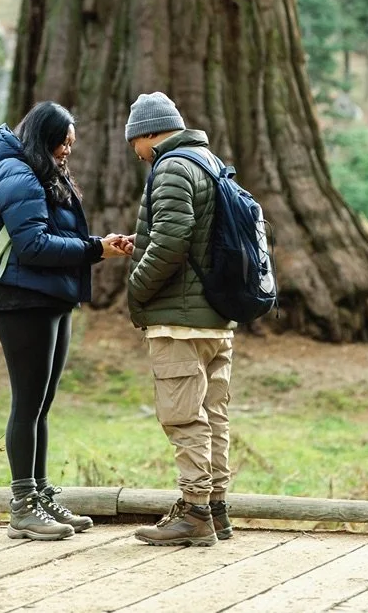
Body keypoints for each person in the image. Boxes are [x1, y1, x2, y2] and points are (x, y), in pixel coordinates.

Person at [0, 102, 133, 541]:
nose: (68, 150)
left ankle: (41, 496)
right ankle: (23, 506)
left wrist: (97, 244)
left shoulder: (39, 173)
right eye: (63, 142)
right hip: (21, 303)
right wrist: (93, 249)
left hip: (48, 300)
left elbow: (50, 236)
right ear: (43, 139)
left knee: (41, 407)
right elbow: (32, 246)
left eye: (71, 144)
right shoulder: (16, 174)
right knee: (26, 406)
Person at [122, 92, 236, 547]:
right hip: (216, 319)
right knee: (214, 416)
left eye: (134, 141)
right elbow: (190, 235)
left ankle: (193, 514)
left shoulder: (170, 167)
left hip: (179, 321)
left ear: (148, 133)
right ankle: (218, 509)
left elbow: (172, 240)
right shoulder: (210, 162)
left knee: (185, 418)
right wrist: (145, 241)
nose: (134, 152)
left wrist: (137, 287)